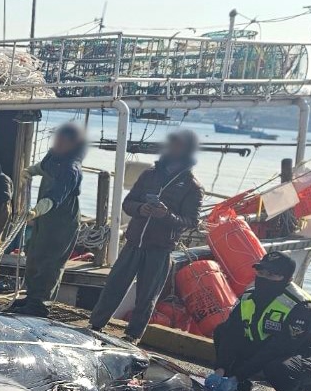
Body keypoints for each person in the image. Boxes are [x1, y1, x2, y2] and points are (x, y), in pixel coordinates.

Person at [89, 129, 204, 342]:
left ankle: (133, 335)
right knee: (115, 284)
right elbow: (128, 203)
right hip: (134, 242)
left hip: (160, 249)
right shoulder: (149, 174)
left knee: (147, 295)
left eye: (177, 144)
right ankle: (95, 324)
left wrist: (166, 215)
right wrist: (141, 208)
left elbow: (191, 222)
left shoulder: (192, 187)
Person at [208, 251, 311, 391]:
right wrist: (220, 370)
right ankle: (241, 388)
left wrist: (237, 376)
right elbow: (231, 333)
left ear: (286, 278)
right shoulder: (249, 296)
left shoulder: (303, 308)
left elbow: (278, 349)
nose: (263, 278)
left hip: (304, 357)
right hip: (265, 343)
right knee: (221, 331)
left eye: (271, 274)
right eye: (261, 272)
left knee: (279, 367)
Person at [10, 122, 87, 317]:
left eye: (62, 141)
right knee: (34, 255)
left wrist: (36, 211)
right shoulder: (55, 156)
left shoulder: (71, 169)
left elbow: (55, 197)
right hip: (45, 221)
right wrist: (30, 171)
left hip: (62, 224)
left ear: (72, 144)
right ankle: (31, 296)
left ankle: (40, 304)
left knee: (50, 263)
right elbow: (43, 168)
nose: (58, 143)